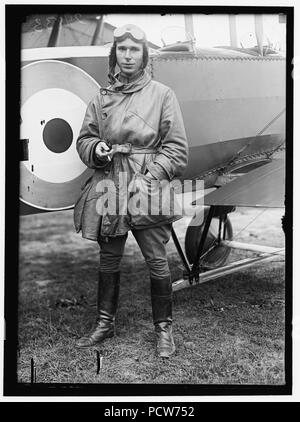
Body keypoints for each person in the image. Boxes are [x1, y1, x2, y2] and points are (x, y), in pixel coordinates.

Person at [73, 24, 188, 358]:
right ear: (115, 54)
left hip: (146, 184)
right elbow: (84, 139)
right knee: (108, 258)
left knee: (156, 260)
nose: (127, 56)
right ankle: (104, 323)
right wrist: (96, 150)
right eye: (121, 49)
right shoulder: (102, 97)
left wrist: (149, 175)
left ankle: (164, 331)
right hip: (109, 181)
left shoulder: (162, 94)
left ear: (144, 55)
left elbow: (177, 149)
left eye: (134, 50)